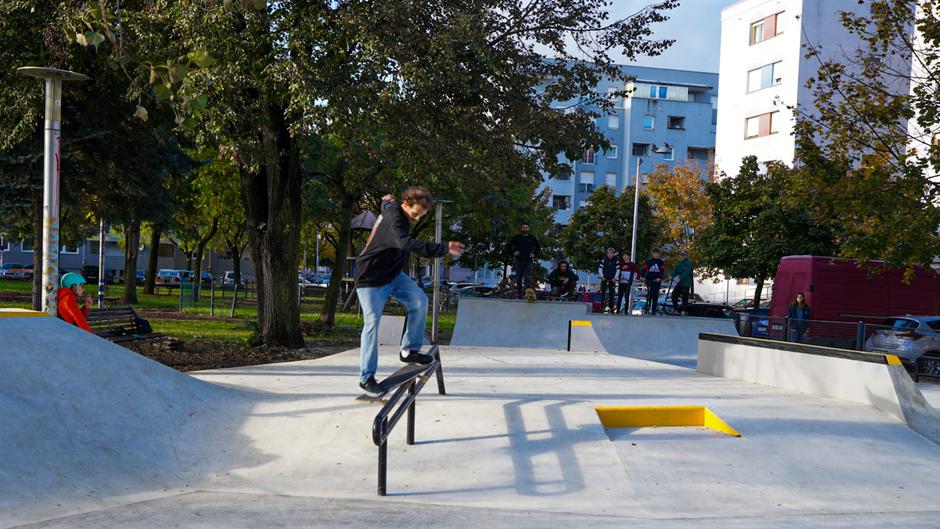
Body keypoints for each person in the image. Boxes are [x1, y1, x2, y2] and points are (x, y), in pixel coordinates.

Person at [355, 187, 465, 397]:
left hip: (394, 275)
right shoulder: (396, 221)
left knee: (419, 302)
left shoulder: (393, 208)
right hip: (370, 279)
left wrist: (385, 200)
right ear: (406, 203)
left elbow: (386, 203)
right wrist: (443, 248)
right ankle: (366, 378)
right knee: (371, 323)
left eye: (421, 216)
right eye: (415, 214)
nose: (416, 218)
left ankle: (409, 351)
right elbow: (408, 244)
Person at [505, 222, 541, 298]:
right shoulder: (517, 237)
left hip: (528, 261)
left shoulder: (532, 238)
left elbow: (538, 247)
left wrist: (534, 254)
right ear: (521, 229)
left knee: (528, 278)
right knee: (518, 278)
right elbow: (508, 246)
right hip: (518, 261)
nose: (525, 229)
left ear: (529, 229)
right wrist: (513, 252)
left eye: (526, 228)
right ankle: (519, 294)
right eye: (523, 227)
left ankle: (527, 294)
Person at [641, 248, 666, 315]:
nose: (656, 255)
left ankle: (653, 311)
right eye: (655, 253)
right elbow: (644, 269)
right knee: (650, 295)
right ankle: (647, 309)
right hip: (649, 280)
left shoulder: (661, 262)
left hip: (657, 281)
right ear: (652, 253)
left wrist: (660, 278)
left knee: (655, 296)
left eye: (658, 253)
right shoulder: (648, 261)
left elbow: (662, 271)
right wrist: (642, 276)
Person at [670, 250, 694, 315]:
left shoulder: (689, 263)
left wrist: (680, 278)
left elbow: (686, 272)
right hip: (680, 283)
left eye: (684, 255)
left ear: (687, 255)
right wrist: (671, 275)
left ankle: (684, 311)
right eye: (681, 254)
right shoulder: (679, 263)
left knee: (684, 297)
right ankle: (675, 309)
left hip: (686, 283)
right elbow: (676, 271)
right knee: (674, 295)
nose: (682, 256)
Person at [598, 248, 618, 313]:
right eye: (608, 253)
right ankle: (602, 307)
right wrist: (602, 276)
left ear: (613, 254)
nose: (610, 254)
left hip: (612, 280)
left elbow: (618, 270)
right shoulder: (604, 260)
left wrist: (615, 278)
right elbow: (600, 269)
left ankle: (611, 308)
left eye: (611, 253)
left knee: (612, 294)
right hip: (604, 279)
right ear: (607, 254)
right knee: (603, 294)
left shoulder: (616, 261)